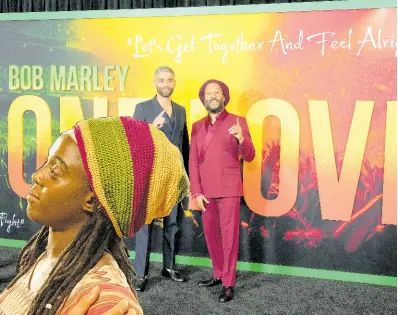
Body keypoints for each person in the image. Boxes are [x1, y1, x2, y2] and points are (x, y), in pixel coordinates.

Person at [0, 116, 189, 314]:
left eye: (55, 172)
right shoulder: (45, 259)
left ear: (92, 201)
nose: (37, 175)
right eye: (48, 162)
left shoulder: (105, 302)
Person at [189, 79, 255, 302]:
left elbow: (250, 156)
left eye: (217, 92)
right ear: (203, 98)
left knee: (229, 237)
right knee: (211, 236)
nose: (213, 95)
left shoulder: (238, 121)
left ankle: (228, 283)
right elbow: (193, 162)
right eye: (208, 93)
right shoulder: (197, 126)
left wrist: (242, 139)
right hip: (205, 191)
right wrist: (196, 192)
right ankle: (218, 274)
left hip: (229, 188)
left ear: (224, 97)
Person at [133, 66, 189, 291]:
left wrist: (187, 177)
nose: (166, 84)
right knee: (144, 225)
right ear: (154, 82)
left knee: (172, 223)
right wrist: (150, 129)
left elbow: (185, 145)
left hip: (174, 177)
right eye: (161, 80)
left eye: (170, 80)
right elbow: (134, 142)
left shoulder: (182, 111)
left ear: (174, 82)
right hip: (150, 177)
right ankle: (140, 274)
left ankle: (169, 267)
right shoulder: (143, 108)